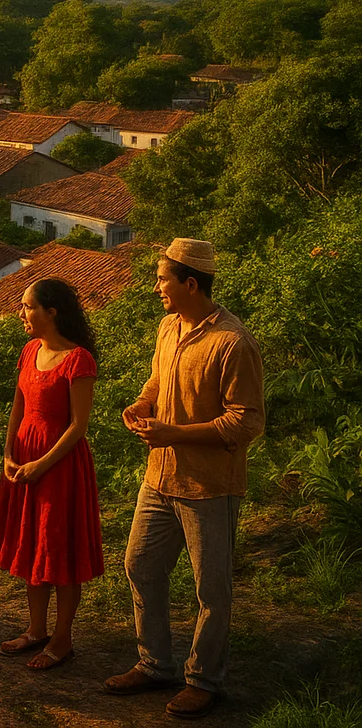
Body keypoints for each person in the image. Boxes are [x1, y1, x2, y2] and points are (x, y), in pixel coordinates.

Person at [104, 239, 264, 721]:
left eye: (162, 280)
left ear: (190, 284)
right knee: (141, 566)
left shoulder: (233, 342)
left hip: (209, 485)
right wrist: (143, 403)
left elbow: (247, 421)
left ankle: (204, 680)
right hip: (160, 478)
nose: (156, 288)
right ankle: (156, 664)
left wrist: (174, 432)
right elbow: (158, 381)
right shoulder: (168, 327)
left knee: (211, 591)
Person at [0, 279, 105, 671]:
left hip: (60, 465)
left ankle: (63, 637)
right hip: (24, 458)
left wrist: (42, 464)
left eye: (28, 307)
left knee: (60, 549)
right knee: (32, 543)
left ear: (52, 312)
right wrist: (6, 454)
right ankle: (36, 629)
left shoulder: (78, 360)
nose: (21, 313)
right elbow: (17, 409)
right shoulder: (29, 350)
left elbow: (78, 427)